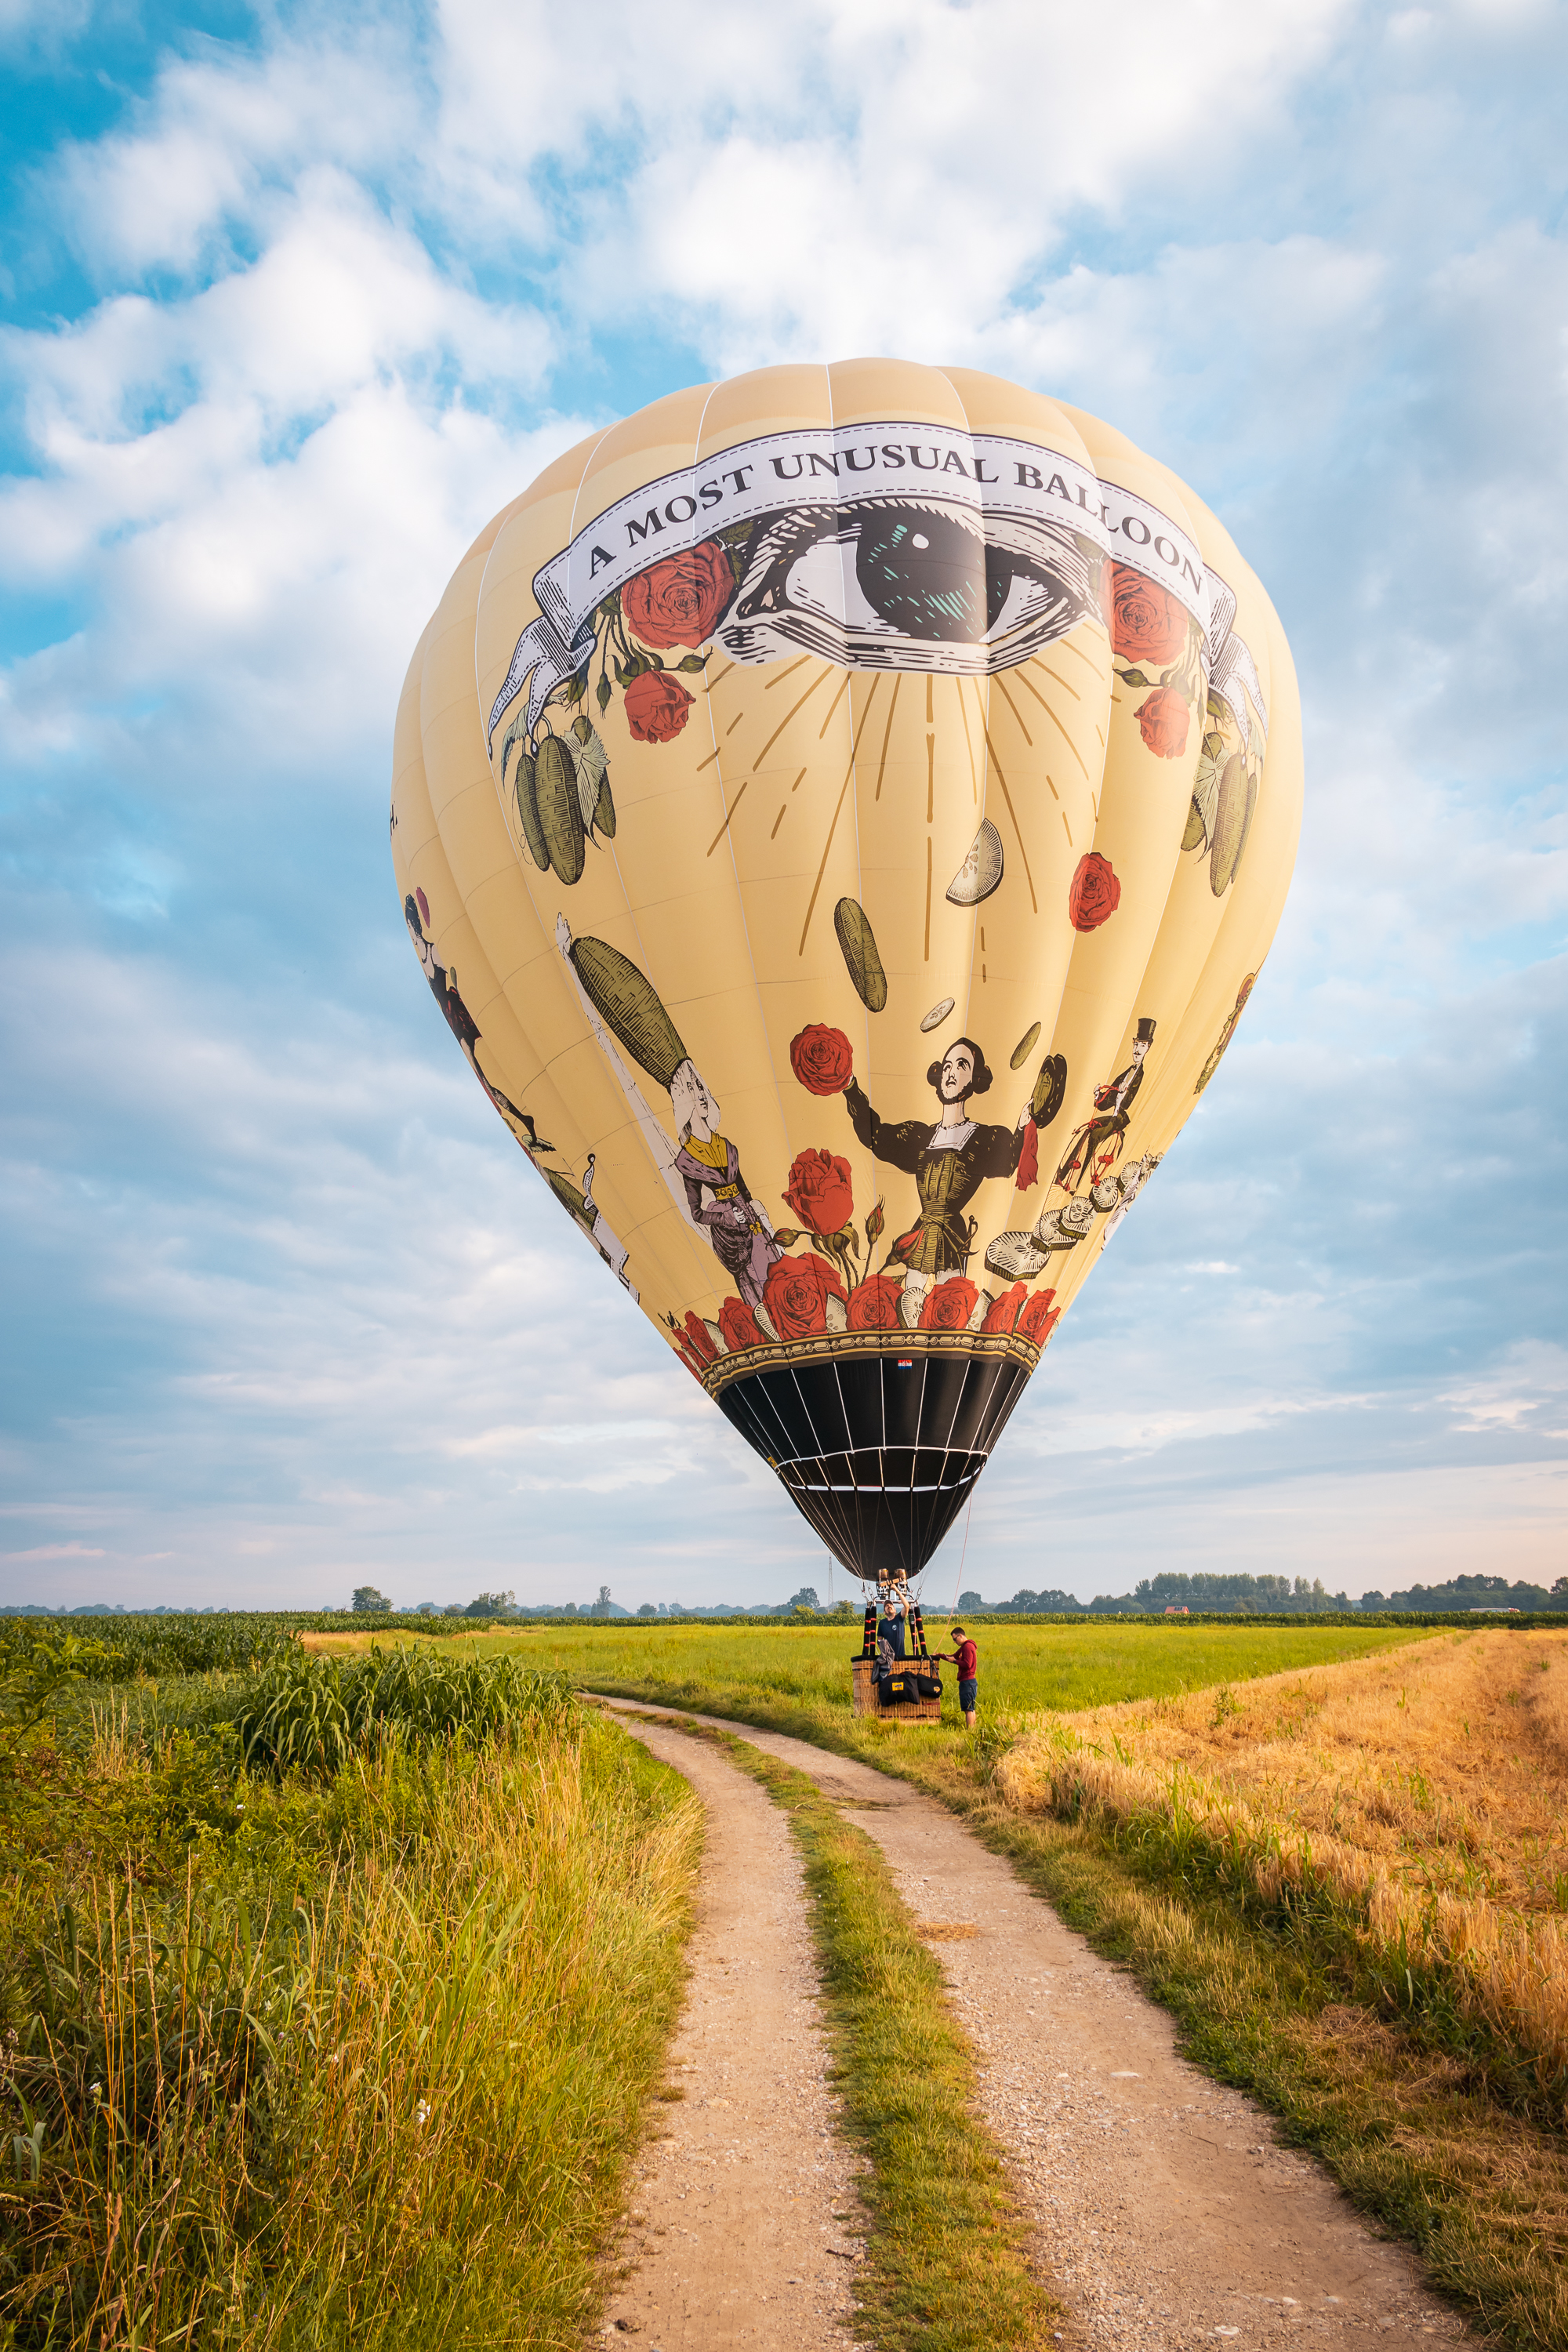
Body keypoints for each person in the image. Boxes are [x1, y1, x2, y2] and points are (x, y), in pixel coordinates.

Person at [844, 1036, 1029, 1327]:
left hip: (952, 1238)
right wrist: (851, 1088)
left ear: (975, 1078)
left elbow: (1007, 1163)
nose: (951, 1072)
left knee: (950, 1304)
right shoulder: (920, 1137)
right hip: (920, 1235)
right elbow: (876, 1135)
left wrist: (1022, 1127)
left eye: (962, 1065)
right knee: (911, 1305)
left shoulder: (983, 1139)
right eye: (947, 1066)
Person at [938, 1625, 978, 1729]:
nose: (954, 1642)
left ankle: (970, 1731)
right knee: (970, 1708)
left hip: (968, 1681)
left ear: (960, 1636)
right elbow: (953, 1656)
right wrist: (939, 1655)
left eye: (955, 1639)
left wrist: (955, 1662)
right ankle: (972, 1730)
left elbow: (967, 1664)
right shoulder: (964, 1647)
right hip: (968, 1681)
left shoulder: (967, 1647)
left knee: (968, 1709)